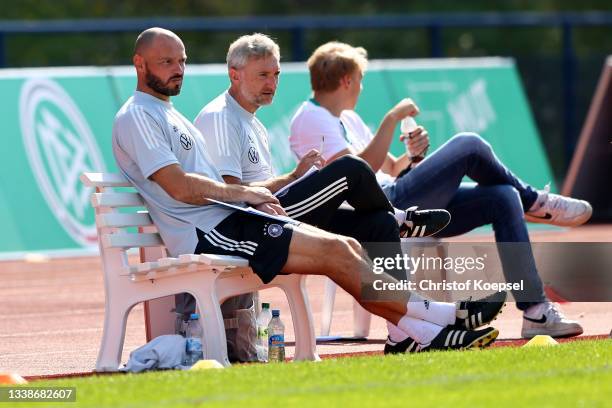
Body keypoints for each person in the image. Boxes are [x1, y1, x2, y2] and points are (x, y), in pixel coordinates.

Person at [112, 28, 504, 354]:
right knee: (346, 189)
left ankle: (426, 330)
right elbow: (179, 186)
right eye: (167, 62)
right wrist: (245, 194)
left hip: (232, 221)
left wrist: (274, 185)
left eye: (181, 61)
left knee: (345, 247)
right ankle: (446, 316)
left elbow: (205, 184)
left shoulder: (170, 113)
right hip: (211, 234)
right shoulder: (138, 115)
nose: (177, 69)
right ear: (139, 63)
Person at [289, 41, 590, 350]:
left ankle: (536, 311)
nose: (361, 88)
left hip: (399, 196)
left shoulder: (346, 117)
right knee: (469, 144)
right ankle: (536, 203)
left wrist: (412, 154)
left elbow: (391, 167)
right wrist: (391, 120)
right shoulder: (311, 118)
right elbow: (357, 174)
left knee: (503, 197)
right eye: (360, 80)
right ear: (346, 80)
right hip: (377, 209)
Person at [193, 33, 452, 351]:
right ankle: (401, 220)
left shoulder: (253, 123)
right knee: (352, 169)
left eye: (276, 74)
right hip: (251, 227)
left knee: (379, 225)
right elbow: (234, 194)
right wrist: (291, 178)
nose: (272, 83)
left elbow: (258, 189)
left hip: (271, 215)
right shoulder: (221, 116)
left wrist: (294, 179)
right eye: (263, 75)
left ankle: (402, 336)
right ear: (234, 74)